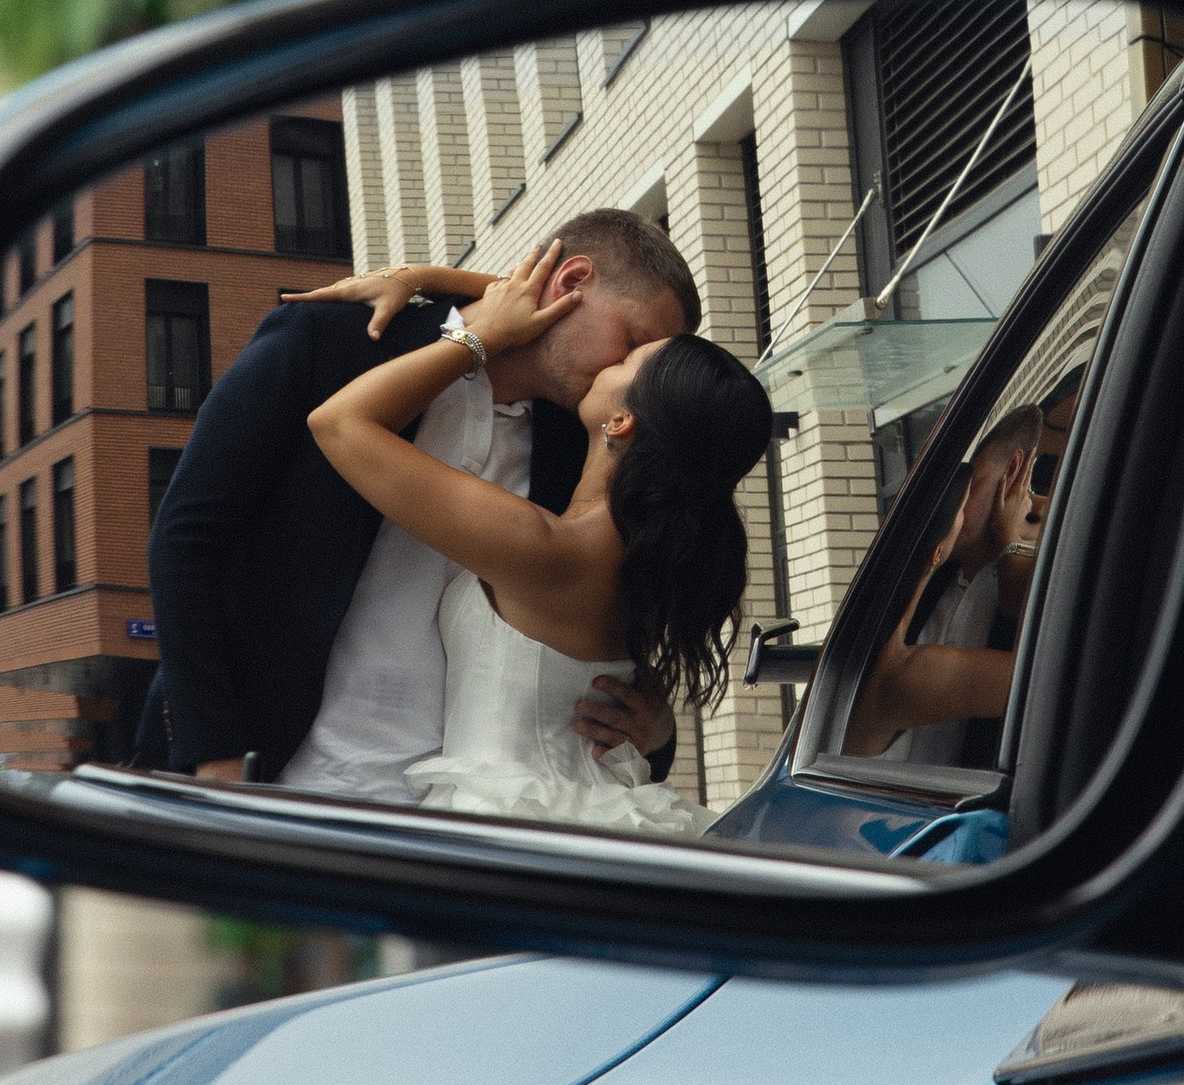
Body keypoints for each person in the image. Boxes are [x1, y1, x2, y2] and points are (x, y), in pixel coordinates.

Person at [145, 206, 698, 794]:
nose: (632, 380)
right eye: (633, 344)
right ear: (571, 283)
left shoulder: (585, 445)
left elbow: (606, 623)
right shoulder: (335, 343)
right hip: (273, 780)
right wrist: (215, 754)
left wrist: (656, 733)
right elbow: (186, 538)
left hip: (459, 806)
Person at [308, 239, 775, 838]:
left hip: (509, 821)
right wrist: (427, 277)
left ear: (622, 420)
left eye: (627, 359)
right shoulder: (647, 555)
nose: (608, 357)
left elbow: (342, 424)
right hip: (592, 810)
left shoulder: (551, 550)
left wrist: (481, 337)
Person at [845, 405, 1043, 761]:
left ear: (1012, 474)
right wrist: (1010, 543)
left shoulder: (871, 620)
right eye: (959, 499)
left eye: (972, 482)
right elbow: (1054, 678)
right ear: (935, 553)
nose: (964, 502)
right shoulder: (909, 674)